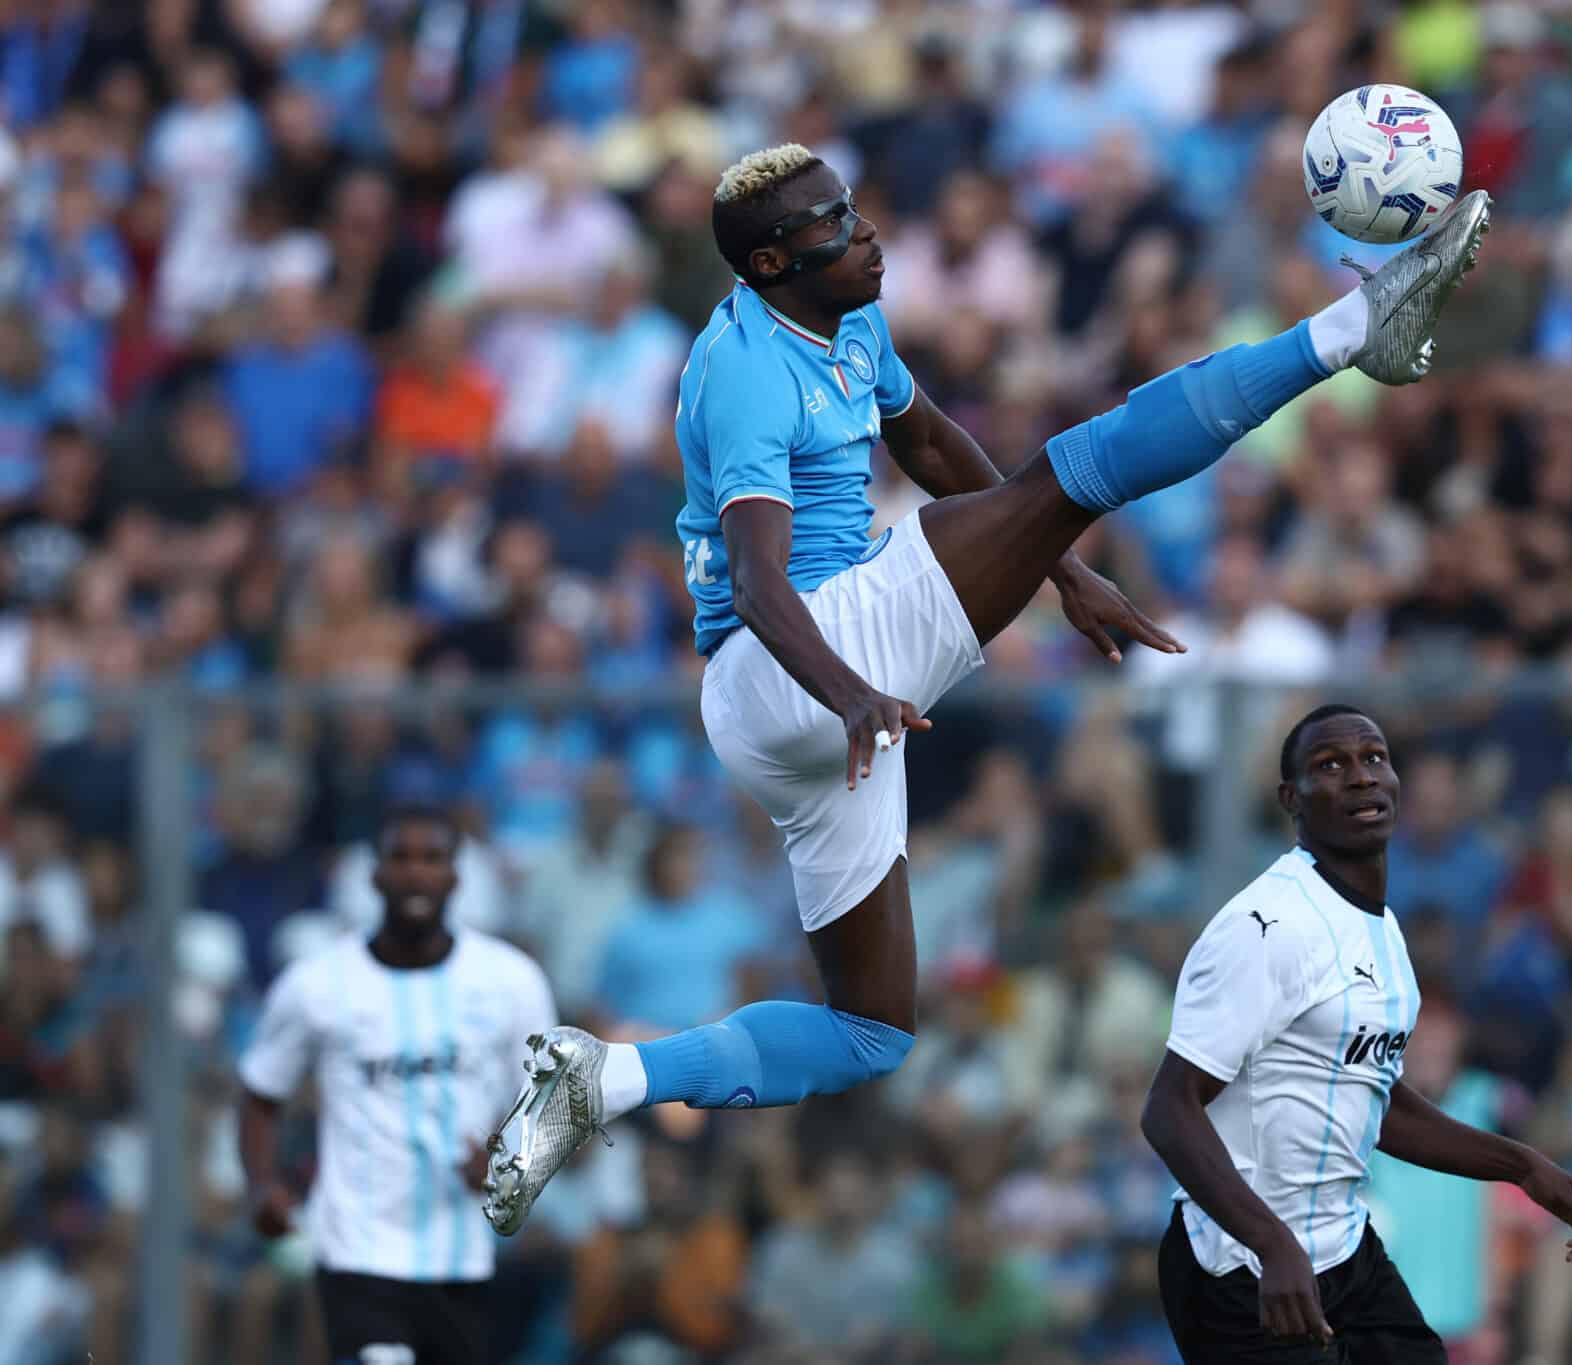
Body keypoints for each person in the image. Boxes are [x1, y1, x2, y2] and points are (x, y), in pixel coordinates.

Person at [482, 146, 1495, 1233]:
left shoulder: (844, 316)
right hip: (798, 659)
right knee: (1076, 470)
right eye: (832, 223)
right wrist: (851, 691)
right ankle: (1353, 330)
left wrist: (1059, 569)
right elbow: (757, 581)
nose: (866, 231)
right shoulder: (747, 371)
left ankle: (608, 1079)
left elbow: (925, 439)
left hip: (810, 697)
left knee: (870, 1032)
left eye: (854, 207)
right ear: (770, 262)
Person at [1138, 704, 1572, 1362]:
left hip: (1342, 1254)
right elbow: (1168, 1108)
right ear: (1291, 798)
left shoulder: (1383, 932)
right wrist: (1271, 1243)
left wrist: (1523, 1166)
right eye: (1330, 764)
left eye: (1374, 758)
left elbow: (1376, 1102)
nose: (1361, 776)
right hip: (1240, 1268)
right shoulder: (1267, 926)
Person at [238, 804, 556, 1365]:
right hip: (358, 1248)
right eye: (400, 858)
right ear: (376, 874)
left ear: (454, 875)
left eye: (432, 858)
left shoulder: (511, 981)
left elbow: (550, 1102)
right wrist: (264, 1184)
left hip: (465, 1252)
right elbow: (262, 1093)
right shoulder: (317, 984)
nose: (415, 873)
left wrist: (510, 1161)